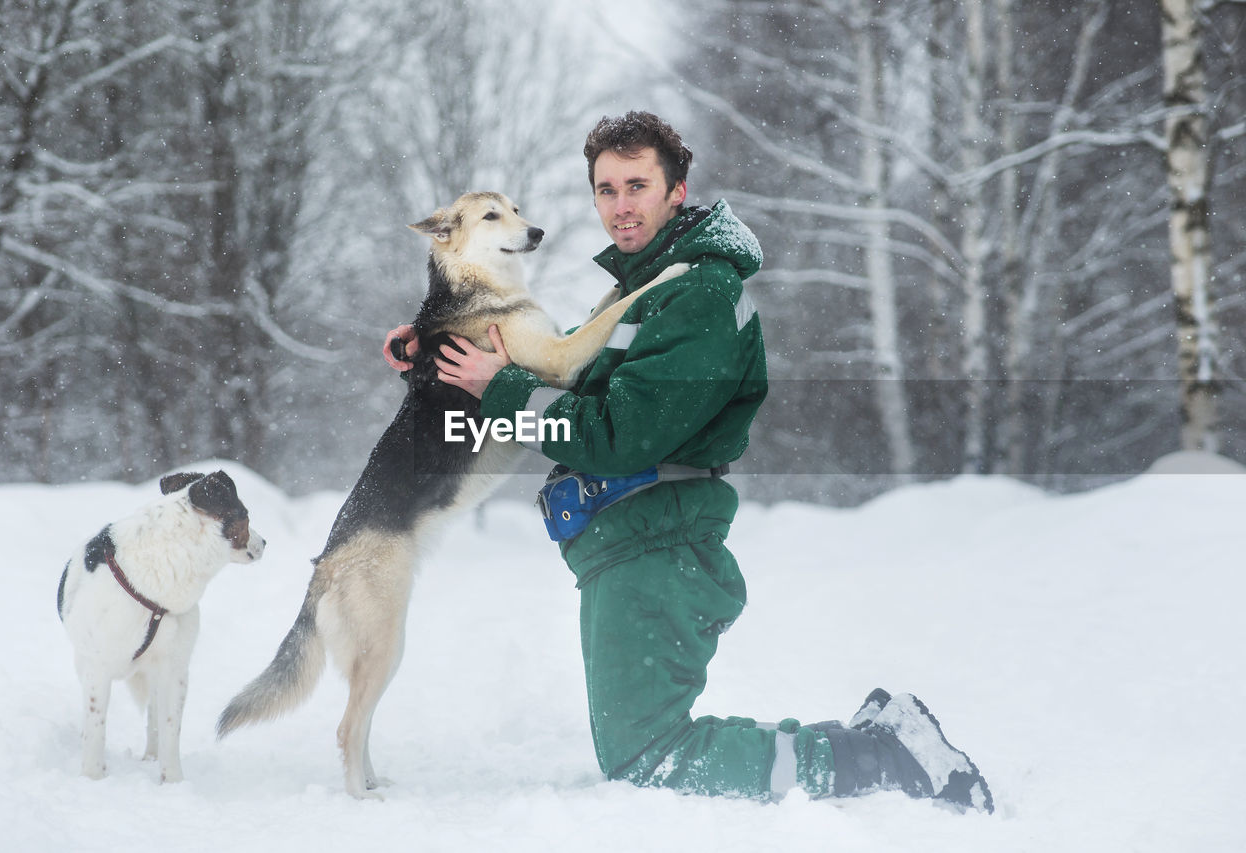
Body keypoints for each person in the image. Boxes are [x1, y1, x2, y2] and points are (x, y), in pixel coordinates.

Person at [384, 111, 993, 811]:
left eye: (636, 185)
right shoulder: (650, 286)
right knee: (650, 745)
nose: (620, 204)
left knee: (650, 755)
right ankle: (878, 739)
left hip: (655, 537)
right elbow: (569, 380)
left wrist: (504, 389)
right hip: (628, 540)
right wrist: (437, 352)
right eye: (606, 189)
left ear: (676, 190)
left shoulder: (700, 291)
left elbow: (622, 433)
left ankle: (882, 758)